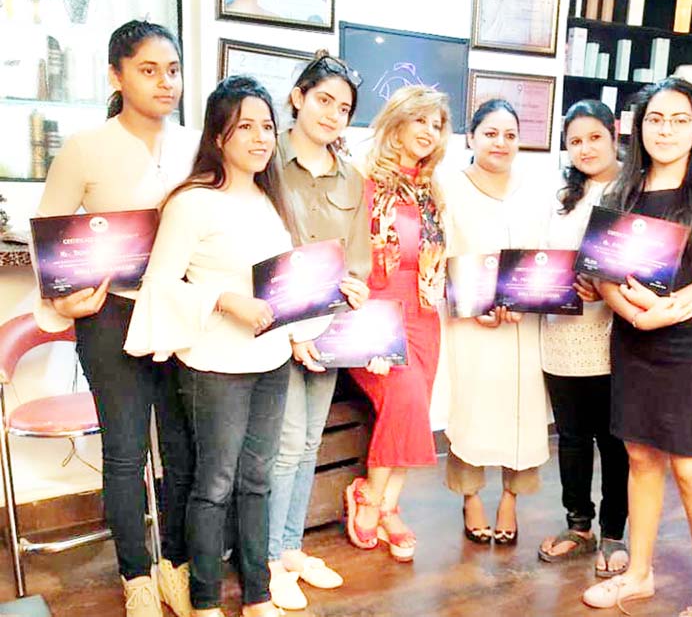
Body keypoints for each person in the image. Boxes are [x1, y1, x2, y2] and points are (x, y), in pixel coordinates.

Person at [125, 76, 311, 617]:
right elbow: (159, 286)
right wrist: (227, 299)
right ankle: (205, 601)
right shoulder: (191, 202)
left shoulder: (274, 199)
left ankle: (256, 596)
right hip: (214, 364)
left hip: (271, 357)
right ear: (219, 132)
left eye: (268, 126)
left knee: (257, 479)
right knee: (215, 484)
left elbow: (284, 282)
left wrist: (320, 304)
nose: (260, 137)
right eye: (246, 125)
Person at [33, 20, 196, 617]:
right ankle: (136, 576)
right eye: (149, 70)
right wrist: (62, 301)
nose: (165, 83)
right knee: (126, 453)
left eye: (173, 70)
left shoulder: (194, 144)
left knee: (182, 450)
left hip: (179, 314)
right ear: (116, 75)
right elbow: (50, 236)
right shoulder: (86, 147)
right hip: (110, 318)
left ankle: (175, 564)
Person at [581, 78, 692, 617]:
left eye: (680, 120)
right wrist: (635, 313)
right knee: (640, 458)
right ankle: (639, 574)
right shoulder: (620, 196)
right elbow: (602, 273)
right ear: (639, 127)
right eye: (656, 119)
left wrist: (673, 307)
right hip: (636, 344)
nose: (666, 130)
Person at [264, 51, 370, 610]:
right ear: (298, 97)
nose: (333, 113)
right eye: (324, 99)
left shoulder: (353, 177)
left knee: (307, 443)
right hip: (274, 326)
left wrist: (356, 288)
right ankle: (266, 562)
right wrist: (292, 326)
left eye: (345, 107)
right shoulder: (264, 159)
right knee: (282, 447)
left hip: (326, 327)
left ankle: (290, 550)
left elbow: (357, 262)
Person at [344, 85, 450, 562]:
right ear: (398, 123)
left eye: (438, 124)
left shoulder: (432, 191)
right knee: (405, 395)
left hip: (424, 312)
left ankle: (387, 504)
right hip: (374, 310)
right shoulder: (361, 181)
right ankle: (368, 496)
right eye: (421, 121)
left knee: (415, 407)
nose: (429, 132)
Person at [441, 99, 549, 546]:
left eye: (509, 134)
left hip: (523, 327)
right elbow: (441, 258)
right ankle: (470, 497)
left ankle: (511, 498)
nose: (500, 143)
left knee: (521, 414)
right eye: (490, 133)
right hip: (471, 325)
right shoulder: (448, 189)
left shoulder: (537, 190)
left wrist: (530, 298)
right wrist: (474, 303)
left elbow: (545, 258)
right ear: (471, 138)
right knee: (471, 411)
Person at [537, 100, 630, 575]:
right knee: (571, 439)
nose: (586, 148)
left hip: (616, 338)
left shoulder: (635, 191)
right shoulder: (561, 197)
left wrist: (607, 286)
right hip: (560, 335)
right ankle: (579, 525)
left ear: (614, 133)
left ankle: (615, 533)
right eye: (575, 141)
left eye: (594, 136)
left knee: (614, 441)